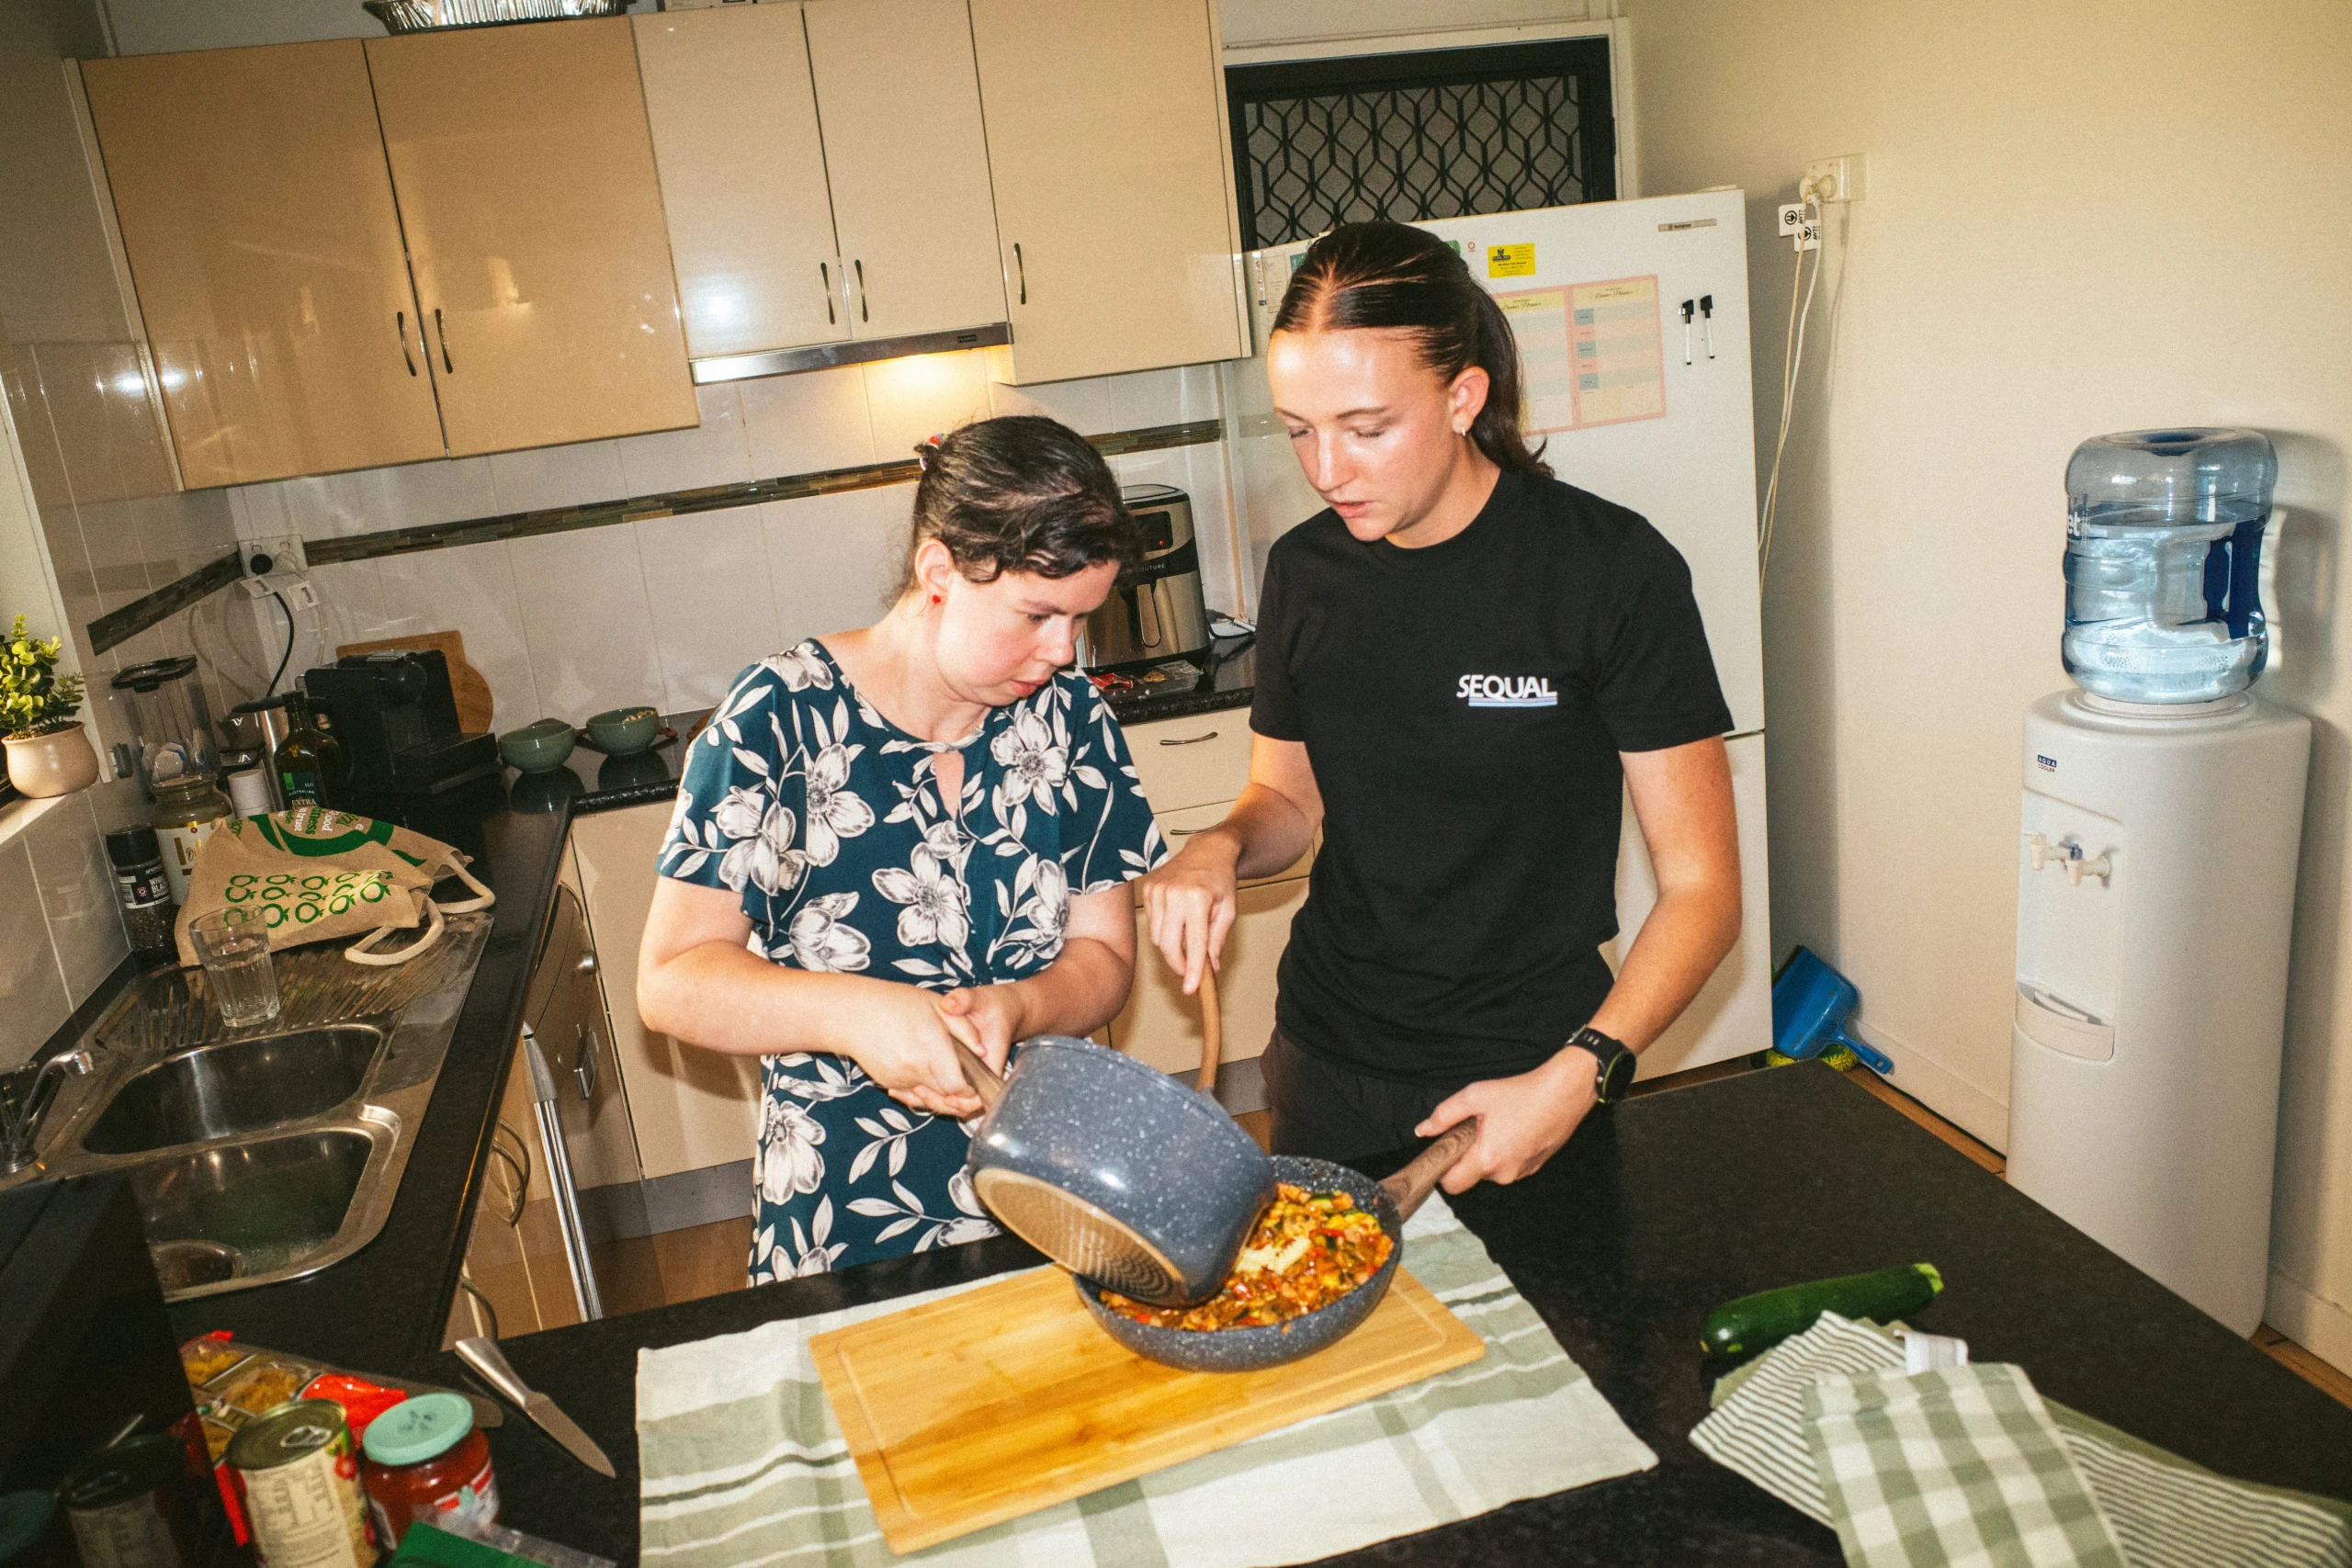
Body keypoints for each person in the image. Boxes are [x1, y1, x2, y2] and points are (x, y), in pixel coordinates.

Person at [1143, 220, 1742, 1193]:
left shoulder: (1608, 572)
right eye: (1299, 430)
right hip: (1326, 1057)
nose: (1327, 469)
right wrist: (1218, 845)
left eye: (1367, 428)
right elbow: (1287, 806)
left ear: (1464, 397)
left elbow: (1702, 891)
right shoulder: (1305, 572)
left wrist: (1578, 1075)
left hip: (1532, 1064)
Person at [638, 416, 1167, 1280]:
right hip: (845, 1207)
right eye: (1037, 614)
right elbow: (671, 981)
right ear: (939, 573)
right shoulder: (777, 719)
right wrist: (860, 1012)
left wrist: (1020, 1007)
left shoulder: (1071, 718)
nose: (1061, 650)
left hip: (1049, 1191)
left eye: (1080, 619)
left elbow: (1103, 955)